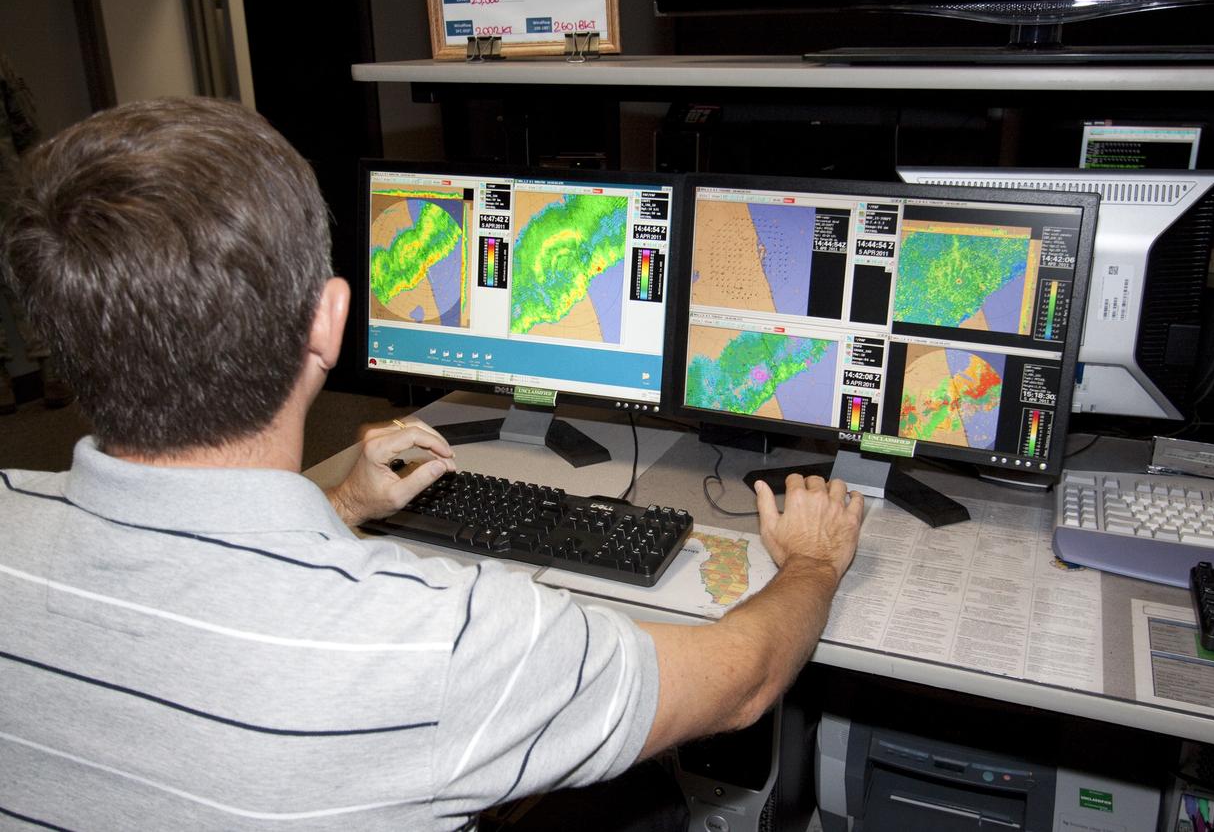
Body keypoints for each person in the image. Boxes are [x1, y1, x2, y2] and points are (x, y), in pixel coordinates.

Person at [0, 97, 863, 830]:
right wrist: (817, 560)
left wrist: (337, 505)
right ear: (330, 321)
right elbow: (744, 686)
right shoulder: (448, 642)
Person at [0, 51, 72, 413]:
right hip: (10, 181)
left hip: (7, 185)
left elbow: (24, 124)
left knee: (24, 274)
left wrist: (35, 175)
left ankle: (53, 370)